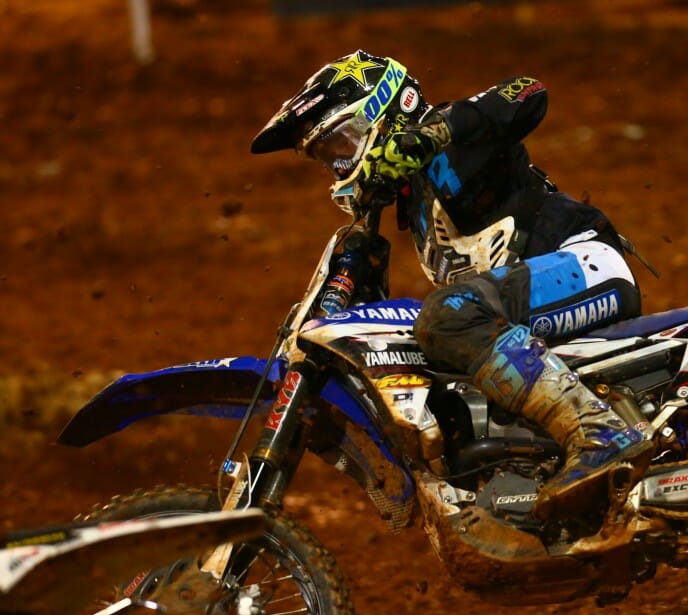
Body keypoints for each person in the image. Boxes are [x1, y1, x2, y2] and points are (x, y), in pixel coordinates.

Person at [250, 50, 652, 520]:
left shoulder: (452, 142)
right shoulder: (410, 202)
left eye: (342, 144)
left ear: (384, 114)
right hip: (532, 307)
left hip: (588, 267)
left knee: (447, 316)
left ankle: (602, 435)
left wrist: (432, 133)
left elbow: (527, 92)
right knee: (420, 351)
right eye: (327, 157)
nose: (339, 164)